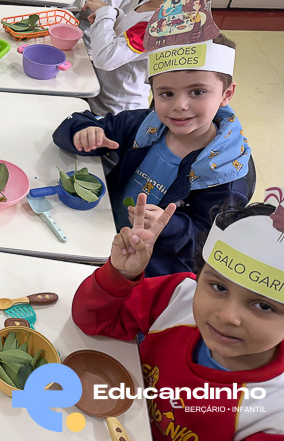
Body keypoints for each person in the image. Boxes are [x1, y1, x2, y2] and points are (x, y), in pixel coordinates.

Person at [72, 193, 284, 441]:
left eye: (264, 305)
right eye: (219, 287)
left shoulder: (274, 416)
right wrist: (120, 275)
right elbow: (93, 321)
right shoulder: (179, 296)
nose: (227, 316)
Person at [52, 30, 254, 276]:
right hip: (98, 232)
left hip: (147, 272)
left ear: (227, 94)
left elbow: (210, 246)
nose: (180, 105)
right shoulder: (145, 125)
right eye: (166, 93)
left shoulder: (227, 173)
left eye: (197, 92)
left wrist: (171, 226)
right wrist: (83, 132)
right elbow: (77, 122)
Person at [80, 0, 162, 115]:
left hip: (117, 111)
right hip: (99, 95)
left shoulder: (160, 23)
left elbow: (105, 58)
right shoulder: (151, 3)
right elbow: (130, 28)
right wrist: (116, 15)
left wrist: (105, 13)